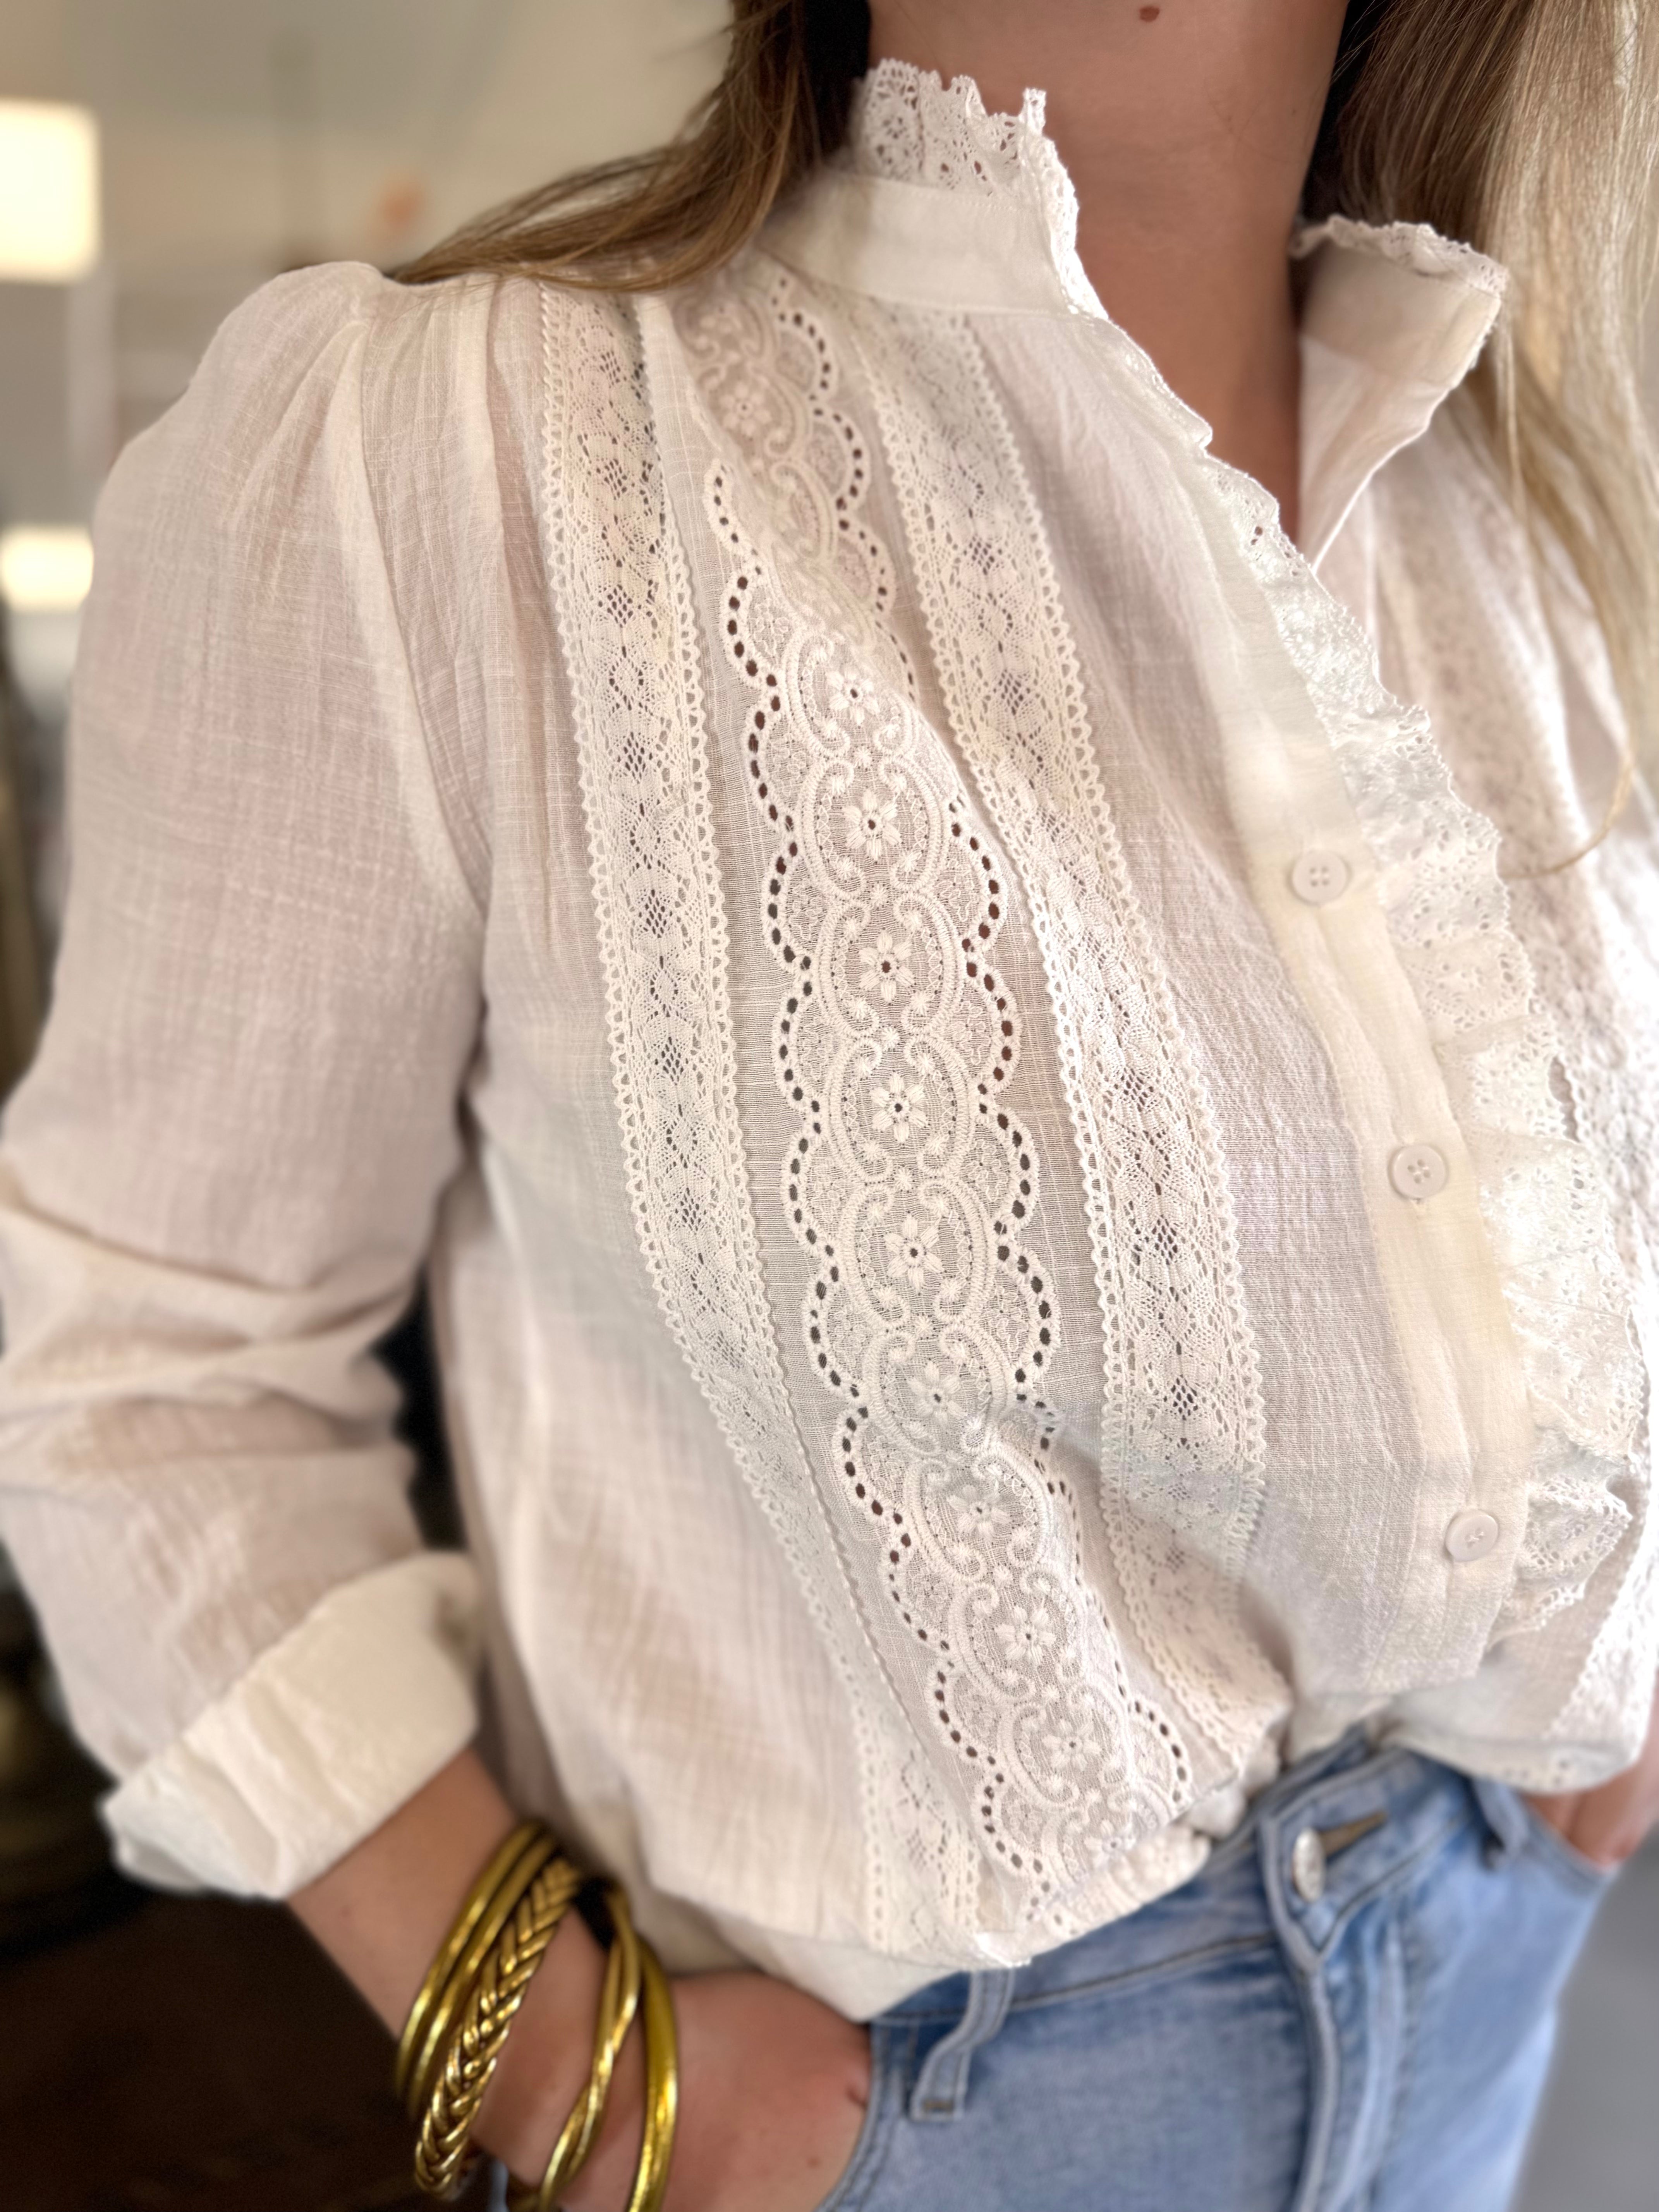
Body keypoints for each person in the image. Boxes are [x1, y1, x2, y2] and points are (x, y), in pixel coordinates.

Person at [2, 1, 1657, 2205]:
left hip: (1492, 1979)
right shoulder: (457, 451)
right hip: (906, 2116)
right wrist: (562, 2062)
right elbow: (146, 1372)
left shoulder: (1521, 521)